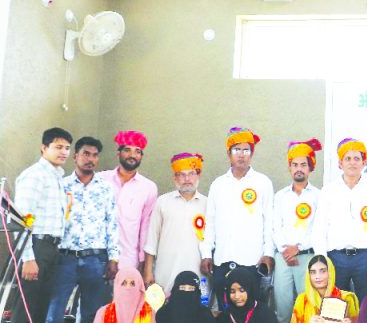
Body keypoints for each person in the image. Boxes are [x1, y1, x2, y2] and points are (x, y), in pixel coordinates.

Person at [42, 136, 119, 323]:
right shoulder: (62, 185)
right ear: (75, 156)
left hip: (95, 259)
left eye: (95, 155)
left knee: (90, 315)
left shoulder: (105, 189)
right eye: (86, 154)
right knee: (54, 314)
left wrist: (113, 258)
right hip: (65, 258)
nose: (90, 159)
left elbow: (112, 224)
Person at [8, 127, 72, 323]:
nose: (63, 152)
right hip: (35, 247)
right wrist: (28, 258)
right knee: (26, 312)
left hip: (51, 249)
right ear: (43, 148)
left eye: (67, 148)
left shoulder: (56, 177)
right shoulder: (34, 176)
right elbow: (23, 220)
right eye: (58, 147)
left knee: (39, 312)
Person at [200, 127, 275, 304]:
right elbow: (210, 222)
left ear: (251, 154)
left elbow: (269, 222)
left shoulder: (263, 182)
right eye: (236, 150)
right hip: (222, 260)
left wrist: (268, 253)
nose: (241, 155)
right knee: (225, 312)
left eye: (246, 150)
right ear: (229, 153)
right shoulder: (218, 184)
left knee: (251, 311)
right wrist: (206, 253)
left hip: (252, 261)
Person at [312, 138, 367, 302]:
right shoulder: (328, 190)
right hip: (336, 258)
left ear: (364, 162)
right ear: (340, 164)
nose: (352, 163)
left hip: (365, 258)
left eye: (356, 158)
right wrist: (322, 261)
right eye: (347, 158)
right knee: (336, 306)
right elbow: (320, 228)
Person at [272, 139, 322, 323]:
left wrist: (298, 248)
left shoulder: (319, 196)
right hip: (283, 257)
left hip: (307, 257)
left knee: (308, 306)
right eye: (295, 165)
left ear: (310, 168)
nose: (299, 169)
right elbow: (275, 226)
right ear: (289, 168)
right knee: (282, 307)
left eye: (303, 164)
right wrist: (286, 250)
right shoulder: (280, 196)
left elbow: (319, 228)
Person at [143, 153, 207, 294]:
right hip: (166, 271)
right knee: (165, 304)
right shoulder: (162, 202)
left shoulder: (207, 204)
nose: (187, 179)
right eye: (182, 174)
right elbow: (152, 239)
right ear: (175, 178)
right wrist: (147, 271)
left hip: (198, 271)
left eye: (191, 174)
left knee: (197, 304)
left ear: (198, 176)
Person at [98, 130, 158, 272]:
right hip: (97, 257)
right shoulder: (100, 180)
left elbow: (146, 226)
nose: (132, 155)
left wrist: (143, 260)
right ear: (118, 154)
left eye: (137, 151)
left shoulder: (148, 187)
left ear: (141, 156)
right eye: (127, 150)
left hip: (128, 260)